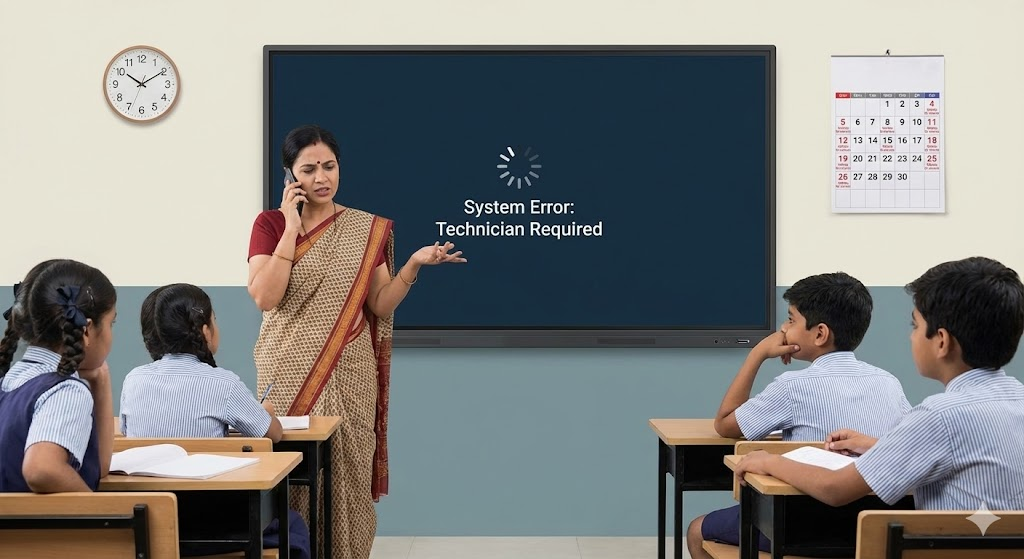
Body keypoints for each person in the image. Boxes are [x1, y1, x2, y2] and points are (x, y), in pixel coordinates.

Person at [247, 124, 466, 559]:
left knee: (346, 470)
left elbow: (380, 306)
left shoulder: (366, 229)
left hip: (351, 374)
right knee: (292, 470)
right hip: (287, 372)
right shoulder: (270, 224)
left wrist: (413, 266)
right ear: (290, 176)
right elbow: (265, 296)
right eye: (309, 169)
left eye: (329, 166)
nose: (322, 177)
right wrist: (291, 227)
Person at [735, 256, 1024, 511]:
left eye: (916, 326)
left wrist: (769, 461)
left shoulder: (938, 416)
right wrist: (879, 445)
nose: (911, 336)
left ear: (942, 342)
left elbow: (835, 489)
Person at [689, 272, 911, 559]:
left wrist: (757, 354)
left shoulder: (792, 386)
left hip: (800, 525)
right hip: (878, 528)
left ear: (820, 334)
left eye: (791, 320)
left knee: (696, 529)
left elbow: (725, 424)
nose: (783, 328)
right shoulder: (888, 382)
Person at [120, 283, 309, 559]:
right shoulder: (224, 383)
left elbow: (128, 433)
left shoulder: (133, 379)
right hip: (215, 525)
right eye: (214, 320)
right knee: (294, 526)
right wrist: (266, 410)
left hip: (151, 523)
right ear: (205, 331)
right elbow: (275, 434)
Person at [0, 260, 116, 492]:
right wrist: (98, 513)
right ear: (86, 330)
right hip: (36, 529)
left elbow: (98, 468)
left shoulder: (10, 382)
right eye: (112, 323)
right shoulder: (64, 391)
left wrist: (100, 380)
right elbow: (42, 469)